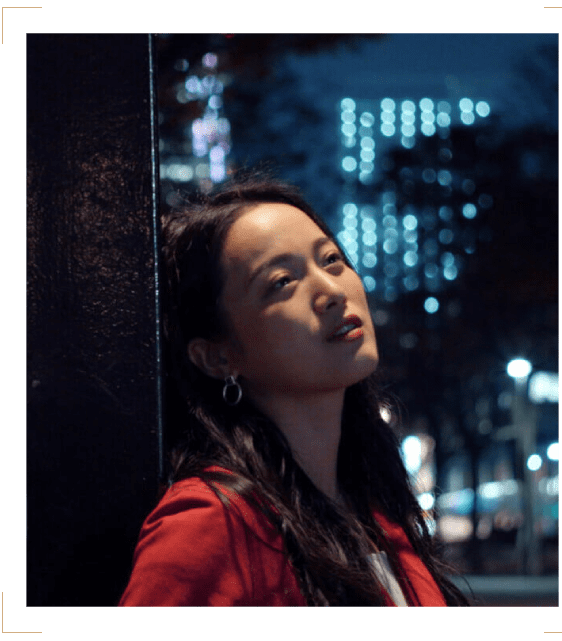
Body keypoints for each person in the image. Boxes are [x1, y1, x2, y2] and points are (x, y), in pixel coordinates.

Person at [118, 174, 470, 607]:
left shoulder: (373, 505)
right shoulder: (213, 523)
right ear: (218, 356)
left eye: (332, 260)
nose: (331, 291)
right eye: (282, 281)